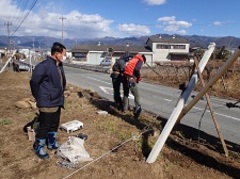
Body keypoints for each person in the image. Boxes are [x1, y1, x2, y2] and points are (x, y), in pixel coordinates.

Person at [30, 42, 66, 159]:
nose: (64, 57)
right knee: (44, 126)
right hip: (47, 101)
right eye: (63, 54)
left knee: (54, 124)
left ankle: (51, 143)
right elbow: (34, 82)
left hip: (57, 100)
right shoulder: (44, 66)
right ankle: (39, 147)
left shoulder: (58, 65)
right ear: (57, 54)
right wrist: (38, 96)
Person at [123, 53, 146, 118]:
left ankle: (124, 108)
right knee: (137, 96)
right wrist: (138, 77)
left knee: (125, 93)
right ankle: (137, 111)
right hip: (131, 79)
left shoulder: (134, 59)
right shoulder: (140, 60)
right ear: (143, 59)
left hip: (125, 76)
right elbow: (136, 69)